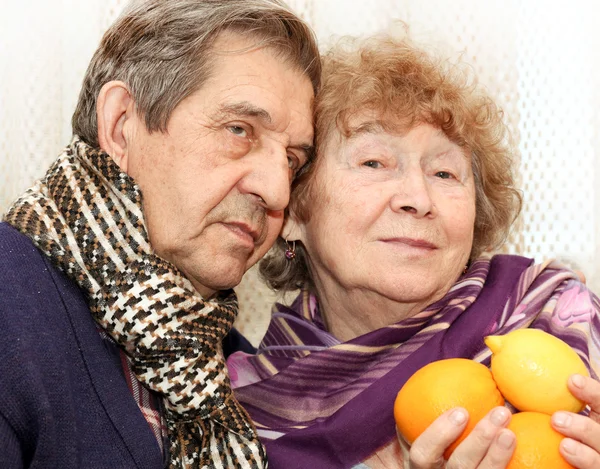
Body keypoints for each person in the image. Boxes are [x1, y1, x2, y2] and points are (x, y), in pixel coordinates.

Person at [227, 33, 600, 469]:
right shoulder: (235, 410)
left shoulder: (559, 316)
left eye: (444, 172)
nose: (418, 198)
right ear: (292, 209)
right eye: (374, 163)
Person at [0, 0, 320, 468]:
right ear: (121, 125)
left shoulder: (232, 373)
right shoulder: (9, 302)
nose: (276, 190)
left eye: (292, 160)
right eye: (239, 130)